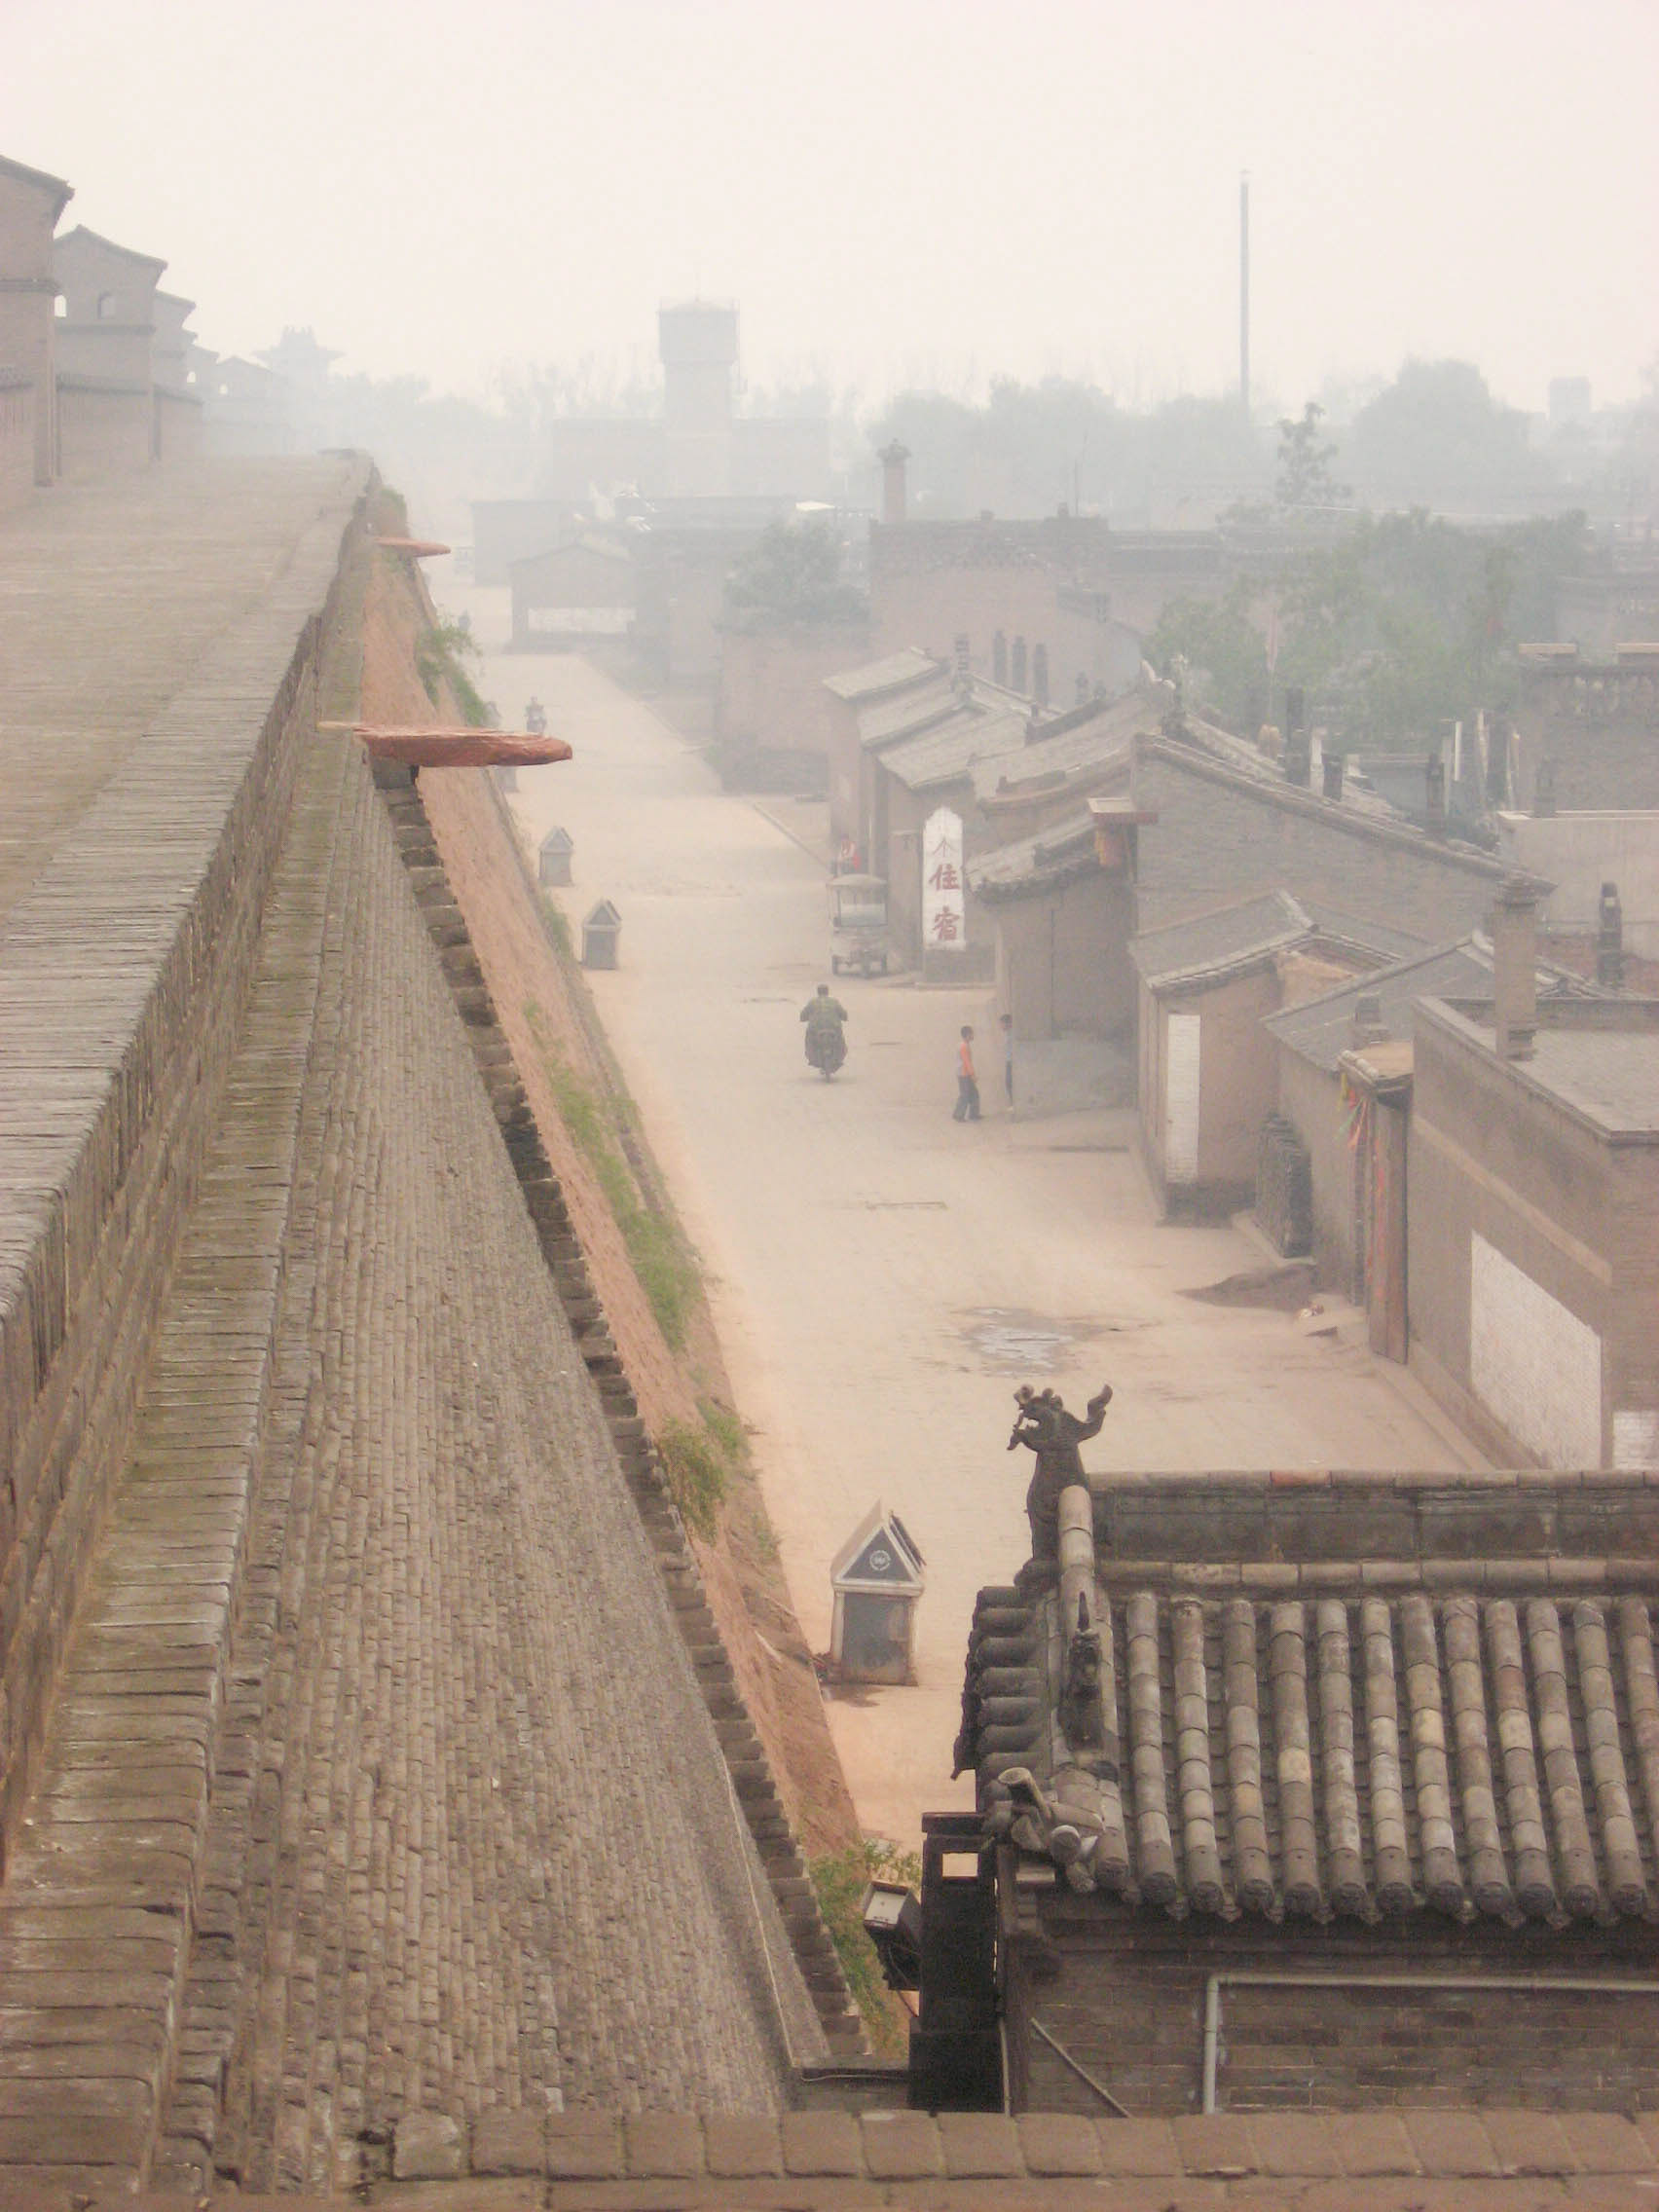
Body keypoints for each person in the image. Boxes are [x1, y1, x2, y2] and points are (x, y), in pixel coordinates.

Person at [1008, 1382, 1114, 1562]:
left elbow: (1032, 1439)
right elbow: (1091, 1426)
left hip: (1054, 1488)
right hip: (1061, 1487)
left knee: (1045, 1518)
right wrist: (1096, 1409)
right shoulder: (1064, 1423)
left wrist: (1019, 1437)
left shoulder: (1060, 1424)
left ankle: (1045, 1558)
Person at [800, 982, 848, 1060]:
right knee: (840, 1039)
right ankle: (841, 1053)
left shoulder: (812, 1002)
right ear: (827, 992)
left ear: (817, 992)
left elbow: (803, 1015)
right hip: (834, 1026)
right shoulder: (834, 1001)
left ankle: (810, 1055)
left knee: (809, 1038)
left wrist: (804, 1018)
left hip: (815, 1027)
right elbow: (844, 1015)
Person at [952, 1024, 980, 1122]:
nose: (973, 1035)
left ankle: (973, 1114)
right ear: (968, 1035)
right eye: (972, 1034)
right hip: (964, 1074)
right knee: (965, 1095)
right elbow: (966, 1061)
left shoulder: (963, 1045)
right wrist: (972, 1075)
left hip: (964, 1073)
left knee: (973, 1094)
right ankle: (959, 1115)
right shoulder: (964, 1046)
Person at [999, 1012, 1014, 1110]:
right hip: (1009, 1061)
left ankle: (1013, 1104)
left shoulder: (1011, 1035)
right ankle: (1012, 1103)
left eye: (1002, 1023)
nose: (1001, 1026)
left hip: (1012, 1062)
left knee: (1009, 1083)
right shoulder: (1007, 1034)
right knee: (1008, 1083)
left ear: (1008, 1023)